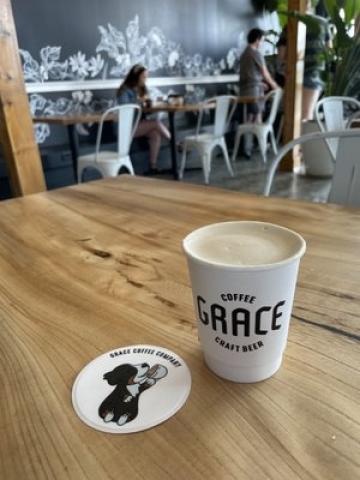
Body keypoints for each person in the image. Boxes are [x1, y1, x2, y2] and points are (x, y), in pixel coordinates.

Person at [116, 64, 171, 174]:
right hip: (125, 127)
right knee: (156, 123)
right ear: (135, 77)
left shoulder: (141, 89)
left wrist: (149, 104)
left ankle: (153, 166)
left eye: (146, 77)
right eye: (143, 77)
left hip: (138, 125)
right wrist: (139, 101)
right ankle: (176, 143)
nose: (145, 80)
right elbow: (125, 107)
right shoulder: (124, 90)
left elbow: (144, 110)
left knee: (155, 134)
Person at [239, 28, 278, 157]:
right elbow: (264, 72)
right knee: (256, 118)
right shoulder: (255, 53)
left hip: (244, 91)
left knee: (249, 119)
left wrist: (260, 83)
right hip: (254, 92)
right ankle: (258, 146)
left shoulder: (244, 53)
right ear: (257, 39)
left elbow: (248, 75)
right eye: (262, 40)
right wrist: (275, 86)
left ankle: (248, 147)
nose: (262, 43)